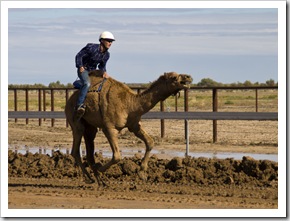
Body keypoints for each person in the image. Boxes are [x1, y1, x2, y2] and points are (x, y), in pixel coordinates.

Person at [74, 31, 115, 117]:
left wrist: (104, 72)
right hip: (84, 70)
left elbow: (102, 66)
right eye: (108, 40)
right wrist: (80, 66)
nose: (110, 43)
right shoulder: (91, 48)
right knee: (87, 83)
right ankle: (79, 105)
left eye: (111, 41)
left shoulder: (107, 55)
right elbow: (79, 56)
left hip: (93, 71)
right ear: (102, 41)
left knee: (106, 82)